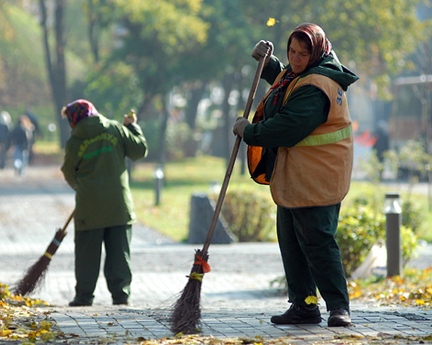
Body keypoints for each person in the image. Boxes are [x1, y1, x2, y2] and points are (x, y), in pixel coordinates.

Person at [233, 23, 358, 327]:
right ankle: (304, 305)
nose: (296, 58)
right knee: (291, 240)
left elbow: (288, 126)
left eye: (303, 53)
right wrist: (268, 63)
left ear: (316, 53)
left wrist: (250, 132)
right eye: (291, 51)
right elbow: (286, 82)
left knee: (317, 241)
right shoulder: (304, 73)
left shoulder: (317, 86)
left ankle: (338, 307)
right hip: (296, 176)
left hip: (316, 177)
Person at [61, 99, 148, 306]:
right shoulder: (116, 129)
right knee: (119, 253)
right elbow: (139, 150)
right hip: (119, 204)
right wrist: (132, 127)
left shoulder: (74, 142)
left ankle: (84, 296)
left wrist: (82, 188)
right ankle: (121, 295)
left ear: (74, 120)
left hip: (89, 206)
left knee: (87, 254)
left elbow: (68, 172)